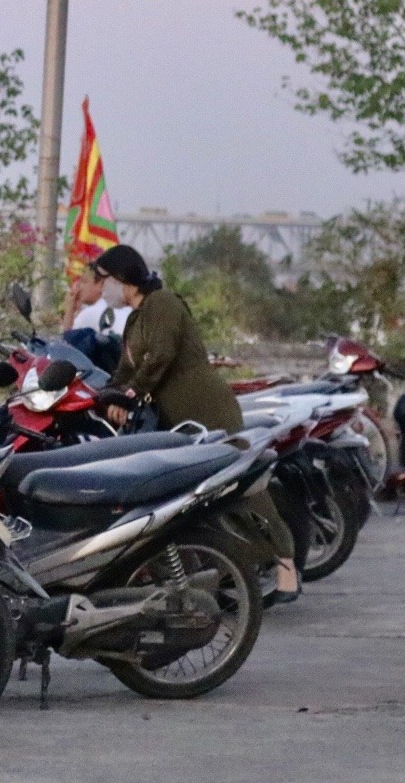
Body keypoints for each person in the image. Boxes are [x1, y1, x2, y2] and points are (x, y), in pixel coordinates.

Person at [92, 243, 301, 602]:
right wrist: (104, 395)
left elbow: (161, 355)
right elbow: (124, 372)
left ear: (124, 279)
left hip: (208, 410)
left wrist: (131, 394)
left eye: (104, 280)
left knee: (244, 490)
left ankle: (288, 576)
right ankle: (228, 573)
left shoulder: (164, 303)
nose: (101, 289)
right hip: (179, 423)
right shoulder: (134, 320)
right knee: (204, 503)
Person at [60, 268, 132, 375]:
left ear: (101, 285)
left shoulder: (91, 313)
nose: (78, 287)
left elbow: (67, 345)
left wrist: (69, 309)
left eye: (84, 282)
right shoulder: (126, 308)